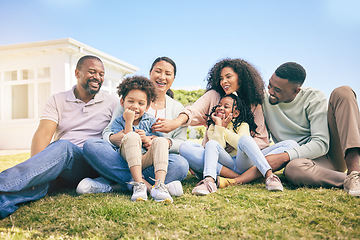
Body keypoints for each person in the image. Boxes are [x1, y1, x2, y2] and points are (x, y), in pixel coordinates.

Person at [0, 55, 118, 219]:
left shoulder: (112, 102)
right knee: (41, 184)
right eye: (92, 72)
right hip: (61, 164)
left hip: (89, 162)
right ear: (77, 73)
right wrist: (38, 172)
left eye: (101, 74)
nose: (98, 77)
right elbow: (43, 134)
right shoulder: (58, 99)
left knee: (64, 147)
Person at [153, 58, 297, 187]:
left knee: (290, 145)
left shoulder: (254, 104)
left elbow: (262, 141)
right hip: (220, 159)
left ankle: (238, 178)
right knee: (186, 148)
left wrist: (238, 145)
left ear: (241, 78)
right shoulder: (214, 96)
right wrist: (176, 122)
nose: (224, 82)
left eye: (228, 77)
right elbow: (193, 111)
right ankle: (246, 177)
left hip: (245, 159)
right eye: (221, 78)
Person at [76, 57, 188, 197]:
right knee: (91, 145)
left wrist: (161, 141)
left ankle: (116, 185)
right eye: (158, 71)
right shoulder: (127, 99)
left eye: (168, 73)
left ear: (173, 78)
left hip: (151, 162)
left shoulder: (177, 108)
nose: (162, 77)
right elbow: (108, 132)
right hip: (121, 157)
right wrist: (114, 137)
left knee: (181, 164)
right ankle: (148, 185)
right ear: (150, 73)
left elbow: (181, 143)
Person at [261, 62, 360, 196]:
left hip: (330, 156)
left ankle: (355, 173)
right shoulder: (263, 99)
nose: (271, 92)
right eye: (270, 85)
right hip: (302, 163)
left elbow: (321, 144)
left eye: (278, 90)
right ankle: (347, 181)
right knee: (293, 170)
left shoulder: (313, 97)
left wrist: (284, 156)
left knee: (343, 92)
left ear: (296, 91)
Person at [190, 94, 290, 195]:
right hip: (227, 164)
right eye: (219, 105)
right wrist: (219, 125)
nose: (220, 108)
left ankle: (269, 176)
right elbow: (219, 146)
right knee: (204, 145)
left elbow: (240, 143)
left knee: (290, 144)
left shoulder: (242, 124)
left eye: (226, 106)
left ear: (236, 113)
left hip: (244, 163)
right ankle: (209, 182)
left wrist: (224, 130)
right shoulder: (213, 126)